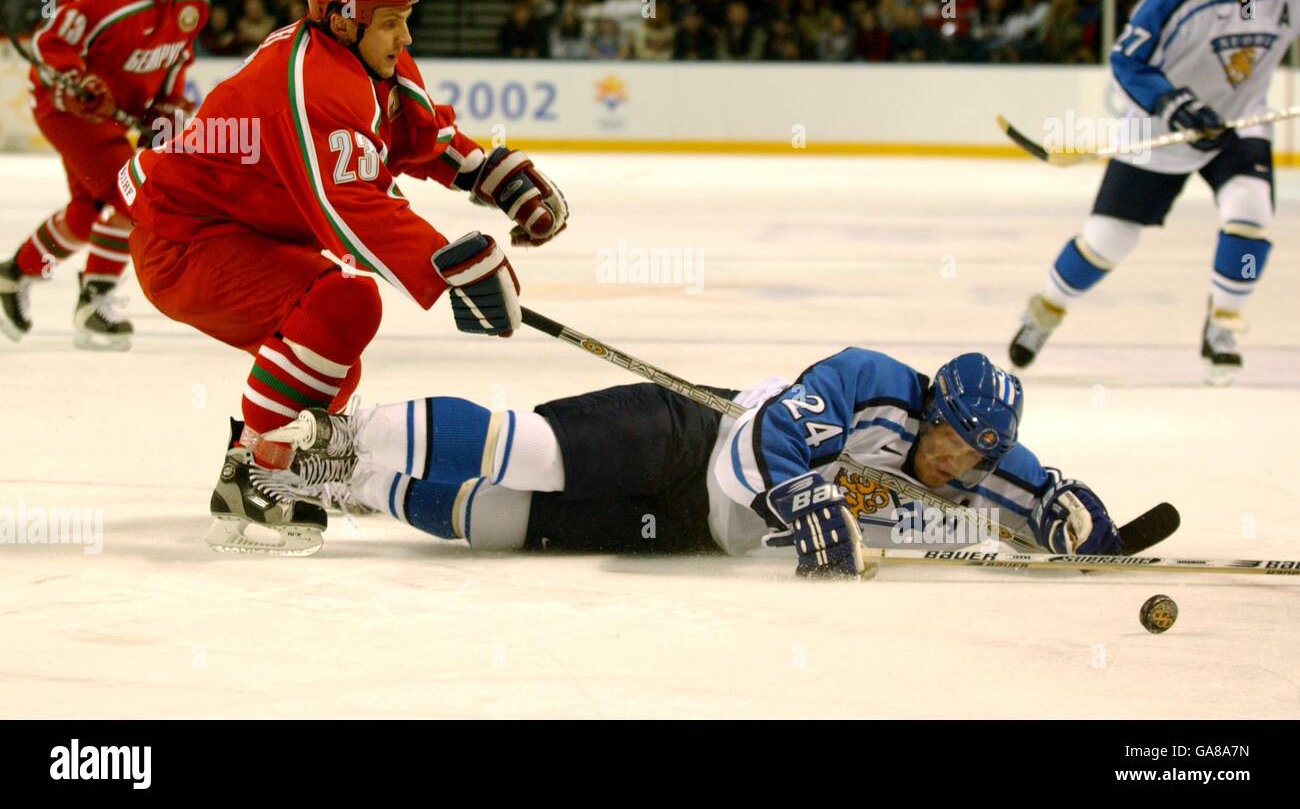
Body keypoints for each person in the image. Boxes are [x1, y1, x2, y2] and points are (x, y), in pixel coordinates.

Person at [118, 0, 568, 555]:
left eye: (405, 20)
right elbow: (346, 206)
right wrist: (450, 269)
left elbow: (420, 133)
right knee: (340, 305)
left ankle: (295, 461)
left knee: (337, 337)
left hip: (238, 231)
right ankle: (252, 469)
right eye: (391, 23)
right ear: (340, 14)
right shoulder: (308, 79)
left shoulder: (367, 55)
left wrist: (496, 177)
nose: (404, 38)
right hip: (183, 240)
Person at [265, 348, 1123, 577]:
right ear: (932, 409)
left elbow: (1032, 494)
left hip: (689, 530)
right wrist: (806, 503)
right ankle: (339, 435)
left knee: (499, 524)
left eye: (975, 455)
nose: (953, 465)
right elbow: (775, 436)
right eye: (950, 442)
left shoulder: (974, 460)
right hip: (688, 434)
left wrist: (1064, 513)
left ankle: (360, 486)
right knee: (529, 453)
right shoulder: (870, 382)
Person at [1010, 0, 1300, 384]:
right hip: (1162, 125)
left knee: (1251, 214)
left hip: (1240, 120)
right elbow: (1126, 60)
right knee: (1107, 243)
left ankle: (1222, 326)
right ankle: (1044, 310)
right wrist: (1175, 104)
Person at [0, 0, 208, 351]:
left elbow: (176, 62)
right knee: (133, 196)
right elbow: (49, 41)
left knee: (84, 213)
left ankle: (15, 273)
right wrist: (78, 79)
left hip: (115, 116)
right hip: (68, 111)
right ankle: (94, 301)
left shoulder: (194, 4)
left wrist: (166, 113)